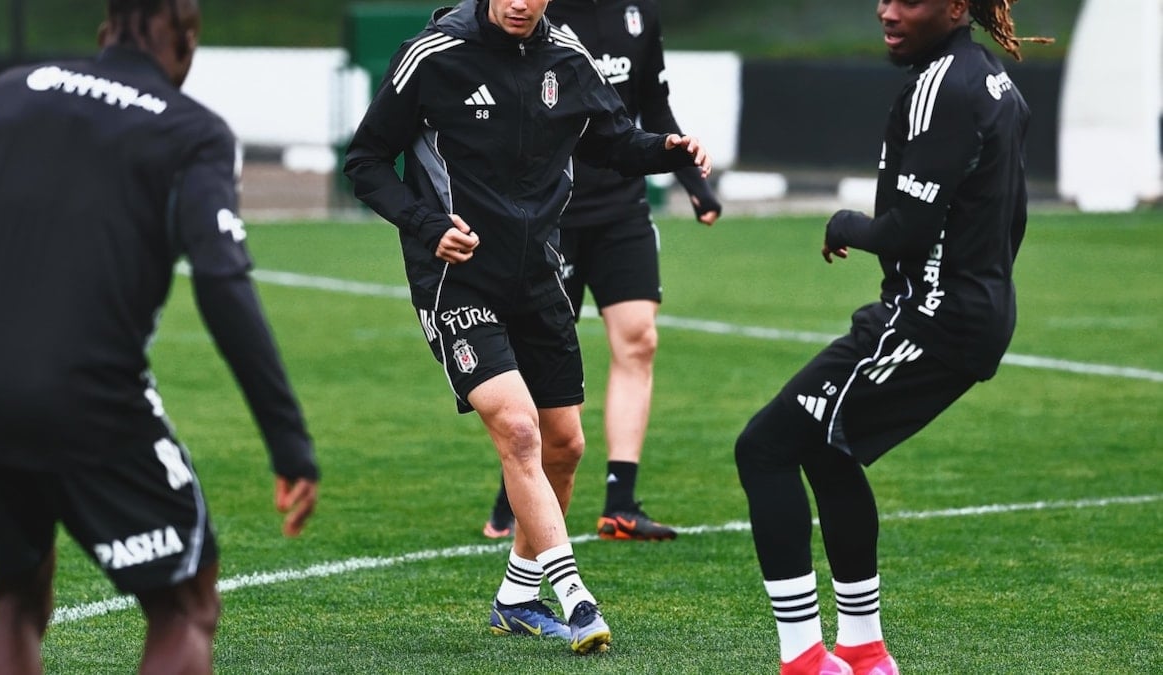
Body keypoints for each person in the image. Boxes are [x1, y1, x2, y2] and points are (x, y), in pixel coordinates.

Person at [0, 1, 320, 672]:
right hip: (89, 401)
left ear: (103, 32)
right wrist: (288, 440)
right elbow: (222, 281)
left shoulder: (11, 92)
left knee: (14, 600)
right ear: (186, 43)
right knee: (185, 605)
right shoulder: (191, 132)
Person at [343, 0, 710, 656]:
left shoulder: (566, 56)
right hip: (456, 279)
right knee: (518, 429)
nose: (519, 2)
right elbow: (366, 160)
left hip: (540, 277)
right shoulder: (433, 55)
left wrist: (666, 151)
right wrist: (427, 227)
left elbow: (611, 141)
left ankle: (516, 597)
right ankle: (577, 599)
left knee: (564, 445)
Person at [731, 1, 1047, 673]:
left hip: (931, 318)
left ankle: (804, 660)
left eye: (908, 0)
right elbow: (1009, 218)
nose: (887, 11)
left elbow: (905, 230)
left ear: (955, 7)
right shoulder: (992, 80)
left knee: (764, 448)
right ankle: (864, 651)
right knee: (827, 450)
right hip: (961, 311)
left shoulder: (945, 88)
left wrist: (844, 223)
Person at [480, 0, 722, 543]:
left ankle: (621, 503)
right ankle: (515, 489)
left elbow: (653, 105)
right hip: (552, 213)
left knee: (639, 338)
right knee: (540, 355)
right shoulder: (536, 13)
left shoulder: (640, 14)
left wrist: (694, 182)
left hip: (622, 209)